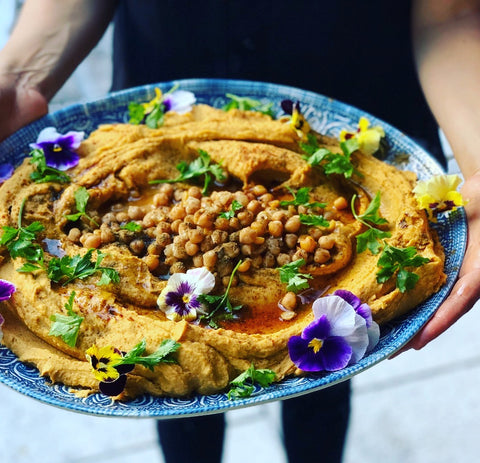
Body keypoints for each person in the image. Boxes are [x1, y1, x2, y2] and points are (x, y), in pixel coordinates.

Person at [1, 1, 480, 462]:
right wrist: (17, 76)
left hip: (329, 106)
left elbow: (453, 12)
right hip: (166, 117)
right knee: (168, 377)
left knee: (327, 350)